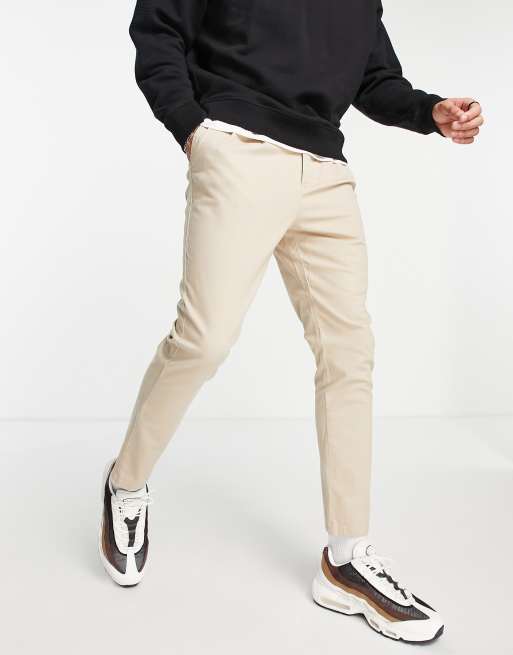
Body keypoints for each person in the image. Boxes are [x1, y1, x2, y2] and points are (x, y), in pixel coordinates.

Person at [98, 0, 484, 643]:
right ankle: (126, 482)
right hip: (239, 148)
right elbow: (157, 25)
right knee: (204, 339)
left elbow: (373, 78)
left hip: (326, 172)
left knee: (350, 355)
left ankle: (346, 559)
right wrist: (194, 130)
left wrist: (430, 111)